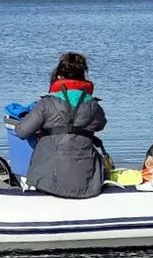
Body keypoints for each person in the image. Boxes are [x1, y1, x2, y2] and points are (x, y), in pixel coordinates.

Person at [14, 52, 107, 199]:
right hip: (87, 183)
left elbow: (21, 131)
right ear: (83, 77)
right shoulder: (93, 106)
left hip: (49, 182)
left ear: (59, 77)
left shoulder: (46, 103)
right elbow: (101, 124)